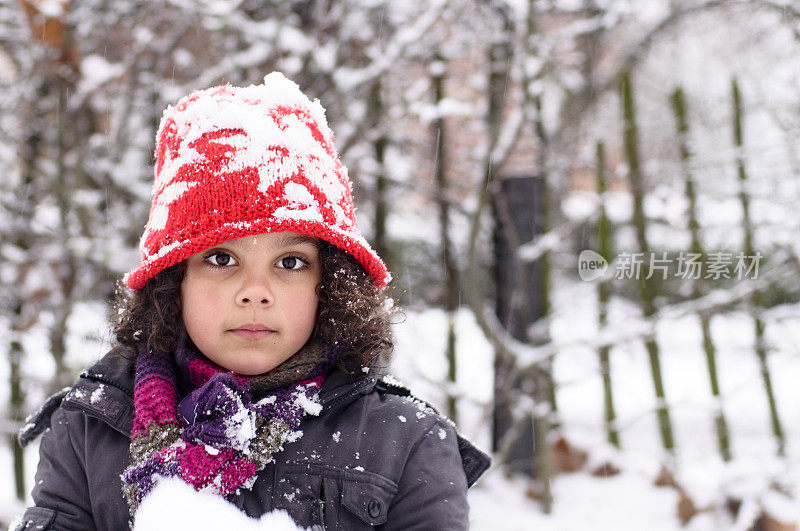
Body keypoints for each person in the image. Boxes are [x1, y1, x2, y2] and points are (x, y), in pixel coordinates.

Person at [14, 72, 490, 530]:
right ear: (173, 281)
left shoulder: (403, 440)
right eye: (221, 259)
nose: (255, 291)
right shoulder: (89, 428)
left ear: (330, 284)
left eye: (290, 263)